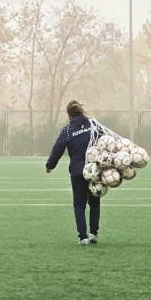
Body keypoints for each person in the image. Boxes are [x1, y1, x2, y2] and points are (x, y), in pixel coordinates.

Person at [45, 100, 101, 246]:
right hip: (94, 169)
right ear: (81, 111)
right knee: (94, 202)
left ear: (69, 115)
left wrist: (50, 165)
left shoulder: (68, 130)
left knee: (79, 204)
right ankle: (93, 234)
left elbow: (58, 149)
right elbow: (105, 141)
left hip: (77, 171)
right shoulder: (93, 125)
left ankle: (83, 237)